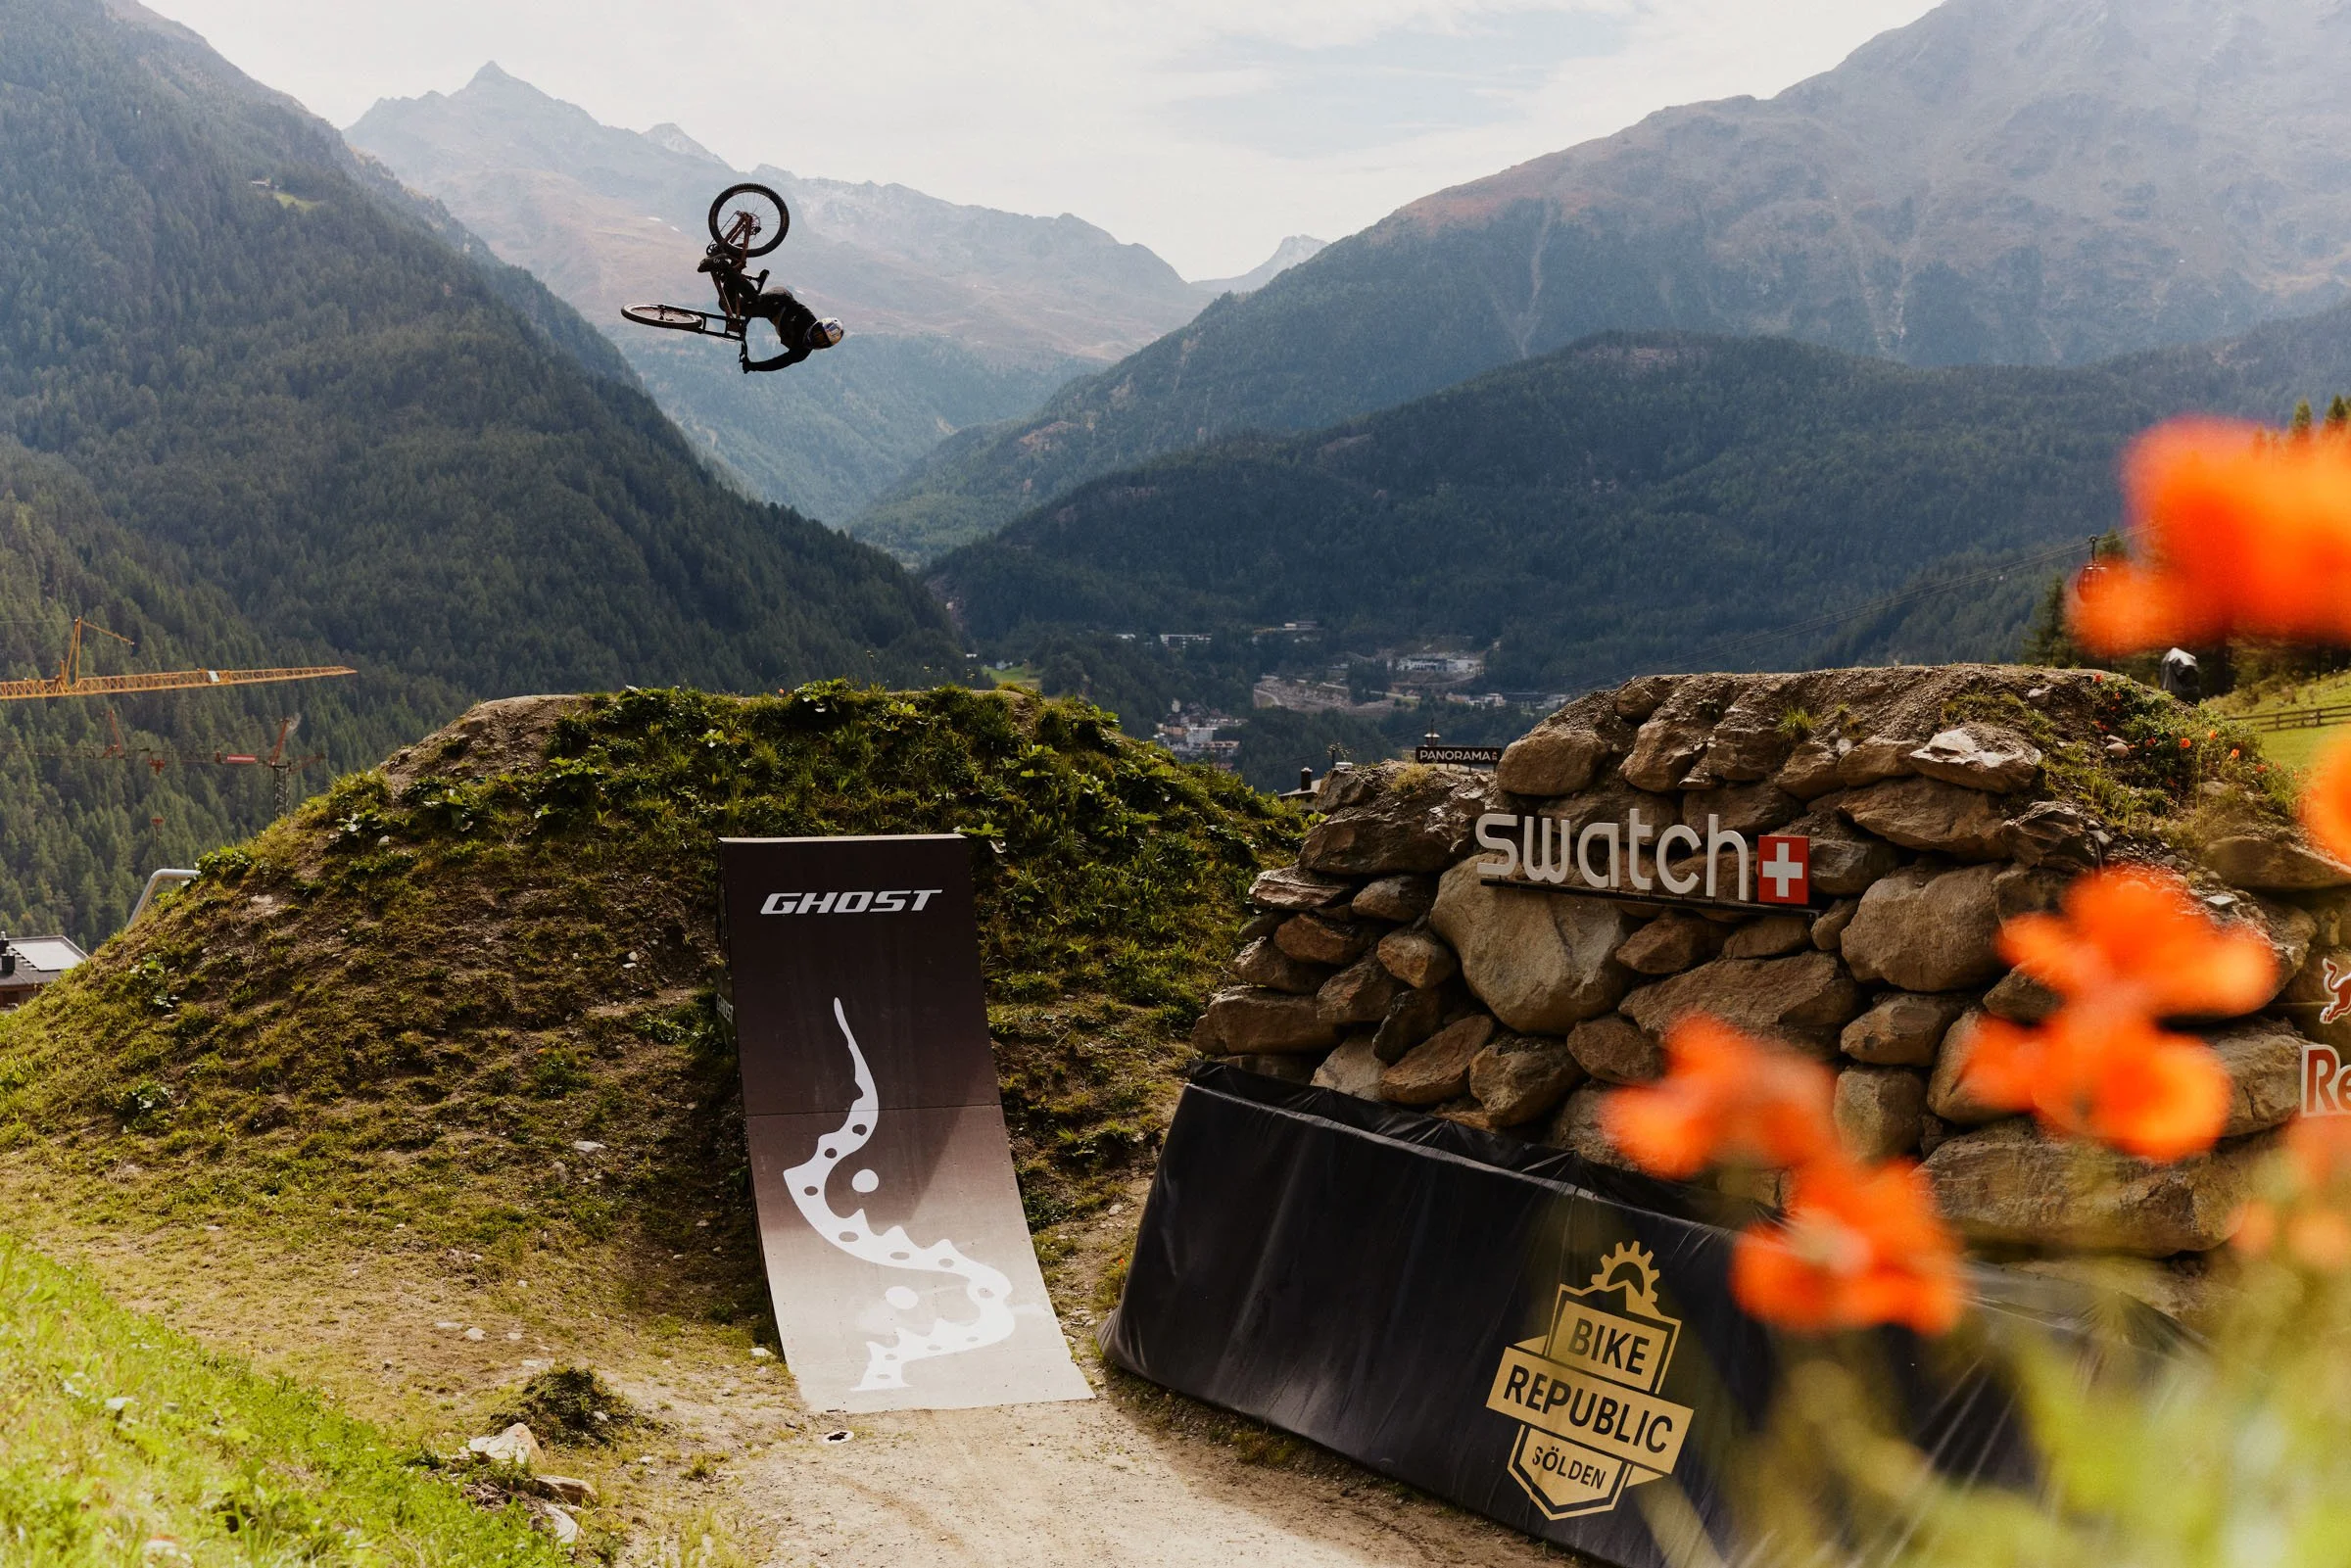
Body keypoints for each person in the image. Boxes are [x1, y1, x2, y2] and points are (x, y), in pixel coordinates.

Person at [698, 247, 842, 373]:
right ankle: (722, 264)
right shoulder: (806, 318)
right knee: (754, 298)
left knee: (726, 305)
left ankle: (732, 262)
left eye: (821, 341)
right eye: (818, 334)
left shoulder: (801, 353)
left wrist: (753, 366)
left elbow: (777, 363)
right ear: (817, 325)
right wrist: (761, 298)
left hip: (772, 312)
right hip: (780, 299)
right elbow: (786, 300)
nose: (816, 339)